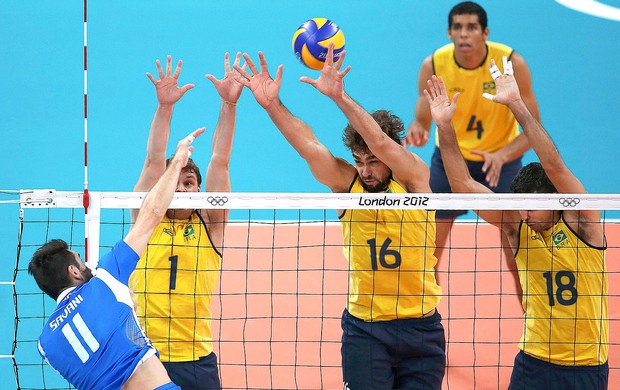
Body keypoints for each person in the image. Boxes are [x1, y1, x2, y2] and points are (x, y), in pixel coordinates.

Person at [235, 44, 445, 389]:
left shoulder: (413, 180)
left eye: (372, 161)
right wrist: (272, 105)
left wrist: (339, 97)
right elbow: (309, 146)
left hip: (420, 329)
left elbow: (381, 142)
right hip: (366, 329)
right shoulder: (348, 186)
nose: (364, 170)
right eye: (358, 160)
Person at [425, 57, 608, 389]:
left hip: (586, 367)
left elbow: (555, 166)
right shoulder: (517, 227)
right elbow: (464, 186)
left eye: (533, 207)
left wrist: (516, 106)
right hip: (532, 362)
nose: (526, 214)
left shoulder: (584, 224)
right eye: (521, 207)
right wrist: (444, 126)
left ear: (554, 201)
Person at [29, 128, 206, 390]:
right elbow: (153, 212)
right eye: (81, 262)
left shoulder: (45, 344)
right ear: (74, 272)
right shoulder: (105, 279)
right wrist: (178, 160)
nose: (88, 266)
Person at [404, 1, 541, 292]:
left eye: (471, 27)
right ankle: (428, 326)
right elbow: (422, 116)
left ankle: (536, 328)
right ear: (449, 32)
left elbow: (533, 130)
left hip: (501, 165)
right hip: (450, 163)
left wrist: (502, 155)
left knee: (518, 256)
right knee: (428, 256)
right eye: (458, 27)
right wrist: (418, 126)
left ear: (485, 32)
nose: (464, 34)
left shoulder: (510, 63)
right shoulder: (434, 65)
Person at [127, 53, 244, 390]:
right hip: (143, 356)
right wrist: (165, 108)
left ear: (199, 189)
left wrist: (228, 104)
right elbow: (153, 161)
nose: (181, 189)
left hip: (196, 358)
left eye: (189, 183)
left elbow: (220, 161)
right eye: (174, 182)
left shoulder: (212, 226)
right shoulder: (144, 221)